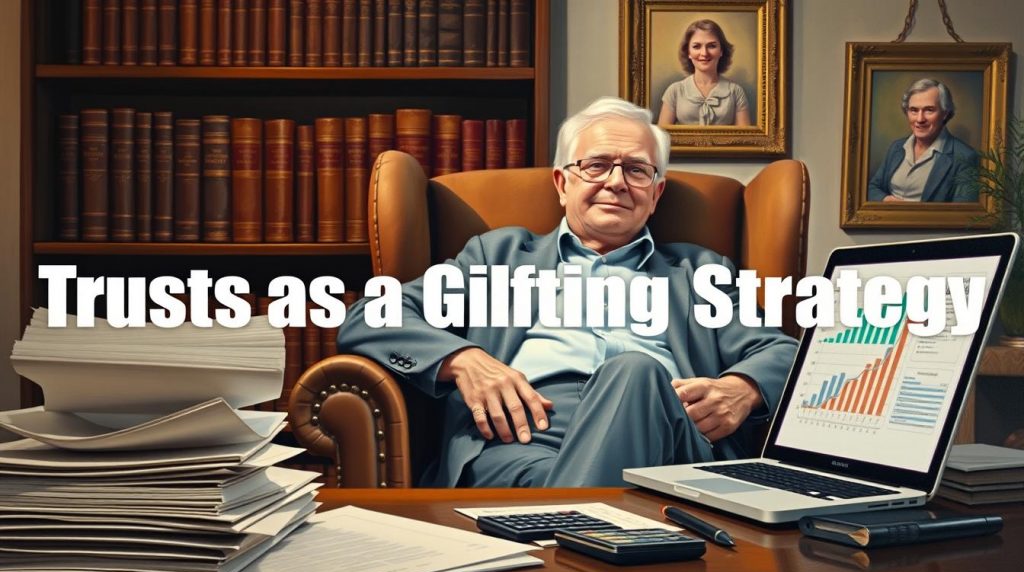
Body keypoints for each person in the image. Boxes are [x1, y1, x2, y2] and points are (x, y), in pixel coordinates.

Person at [338, 97, 797, 487]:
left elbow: (782, 351)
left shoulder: (700, 272)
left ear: (656, 195)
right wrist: (463, 361)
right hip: (522, 440)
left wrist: (744, 387)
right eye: (596, 165)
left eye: (637, 170)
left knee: (634, 371)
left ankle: (566, 536)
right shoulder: (497, 257)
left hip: (666, 442)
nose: (615, 182)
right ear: (563, 183)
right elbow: (371, 315)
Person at [868, 78, 980, 202]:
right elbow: (873, 188)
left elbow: (963, 213)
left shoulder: (965, 157)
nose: (920, 119)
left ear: (945, 113)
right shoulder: (897, 147)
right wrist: (886, 199)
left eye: (929, 110)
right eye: (914, 110)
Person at [657, 19, 751, 126]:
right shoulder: (674, 91)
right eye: (696, 46)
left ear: (721, 51)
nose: (704, 53)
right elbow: (662, 137)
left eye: (712, 46)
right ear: (688, 52)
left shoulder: (736, 92)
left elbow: (745, 139)